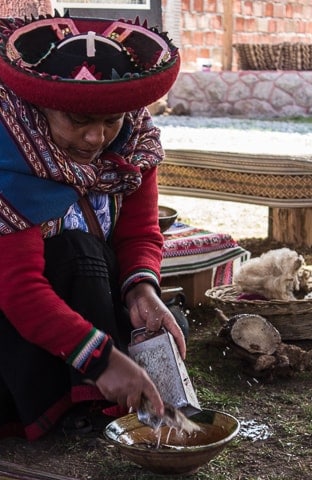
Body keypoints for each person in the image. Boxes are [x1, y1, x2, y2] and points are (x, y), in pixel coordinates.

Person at [0, 12, 186, 440]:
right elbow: (19, 289)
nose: (95, 138)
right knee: (78, 253)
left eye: (110, 120)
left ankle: (105, 393)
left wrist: (142, 291)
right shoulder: (12, 158)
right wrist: (101, 360)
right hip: (17, 328)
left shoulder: (132, 149)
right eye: (78, 121)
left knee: (165, 326)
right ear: (40, 108)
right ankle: (71, 406)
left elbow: (139, 234)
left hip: (77, 311)